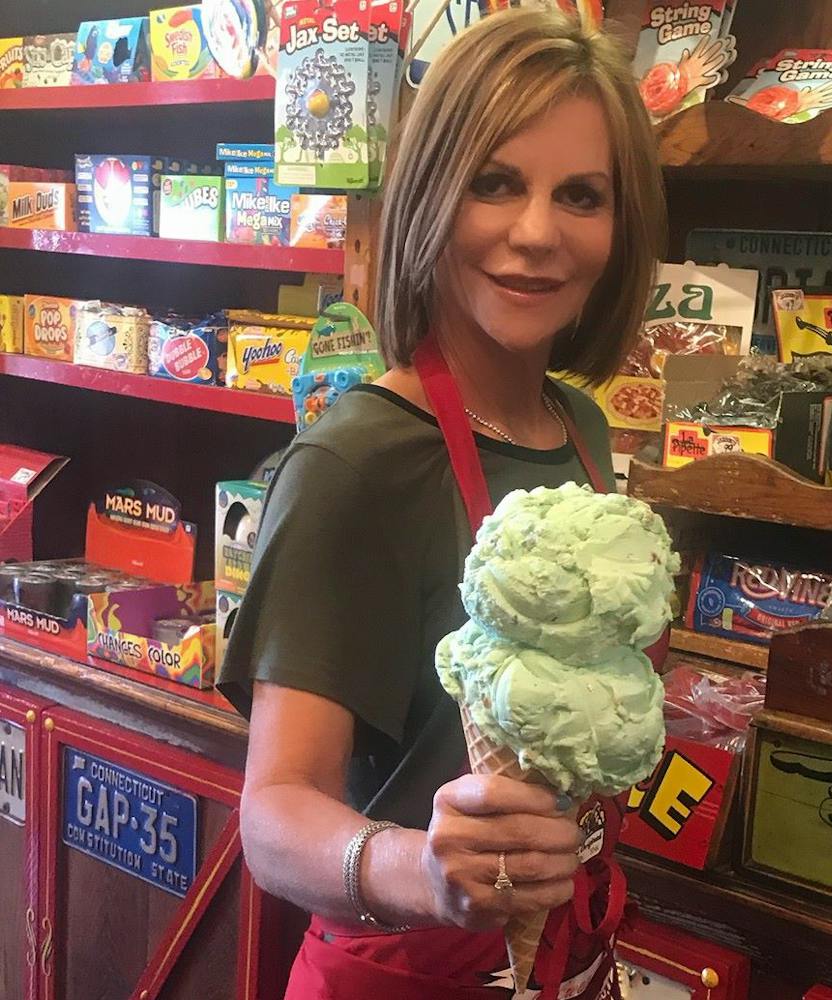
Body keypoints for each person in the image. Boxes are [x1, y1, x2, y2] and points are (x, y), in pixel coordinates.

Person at [217, 7, 665, 998]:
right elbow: (274, 812)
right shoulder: (355, 463)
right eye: (493, 183)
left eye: (581, 195)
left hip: (569, 965)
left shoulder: (583, 432)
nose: (537, 232)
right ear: (427, 197)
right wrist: (420, 868)